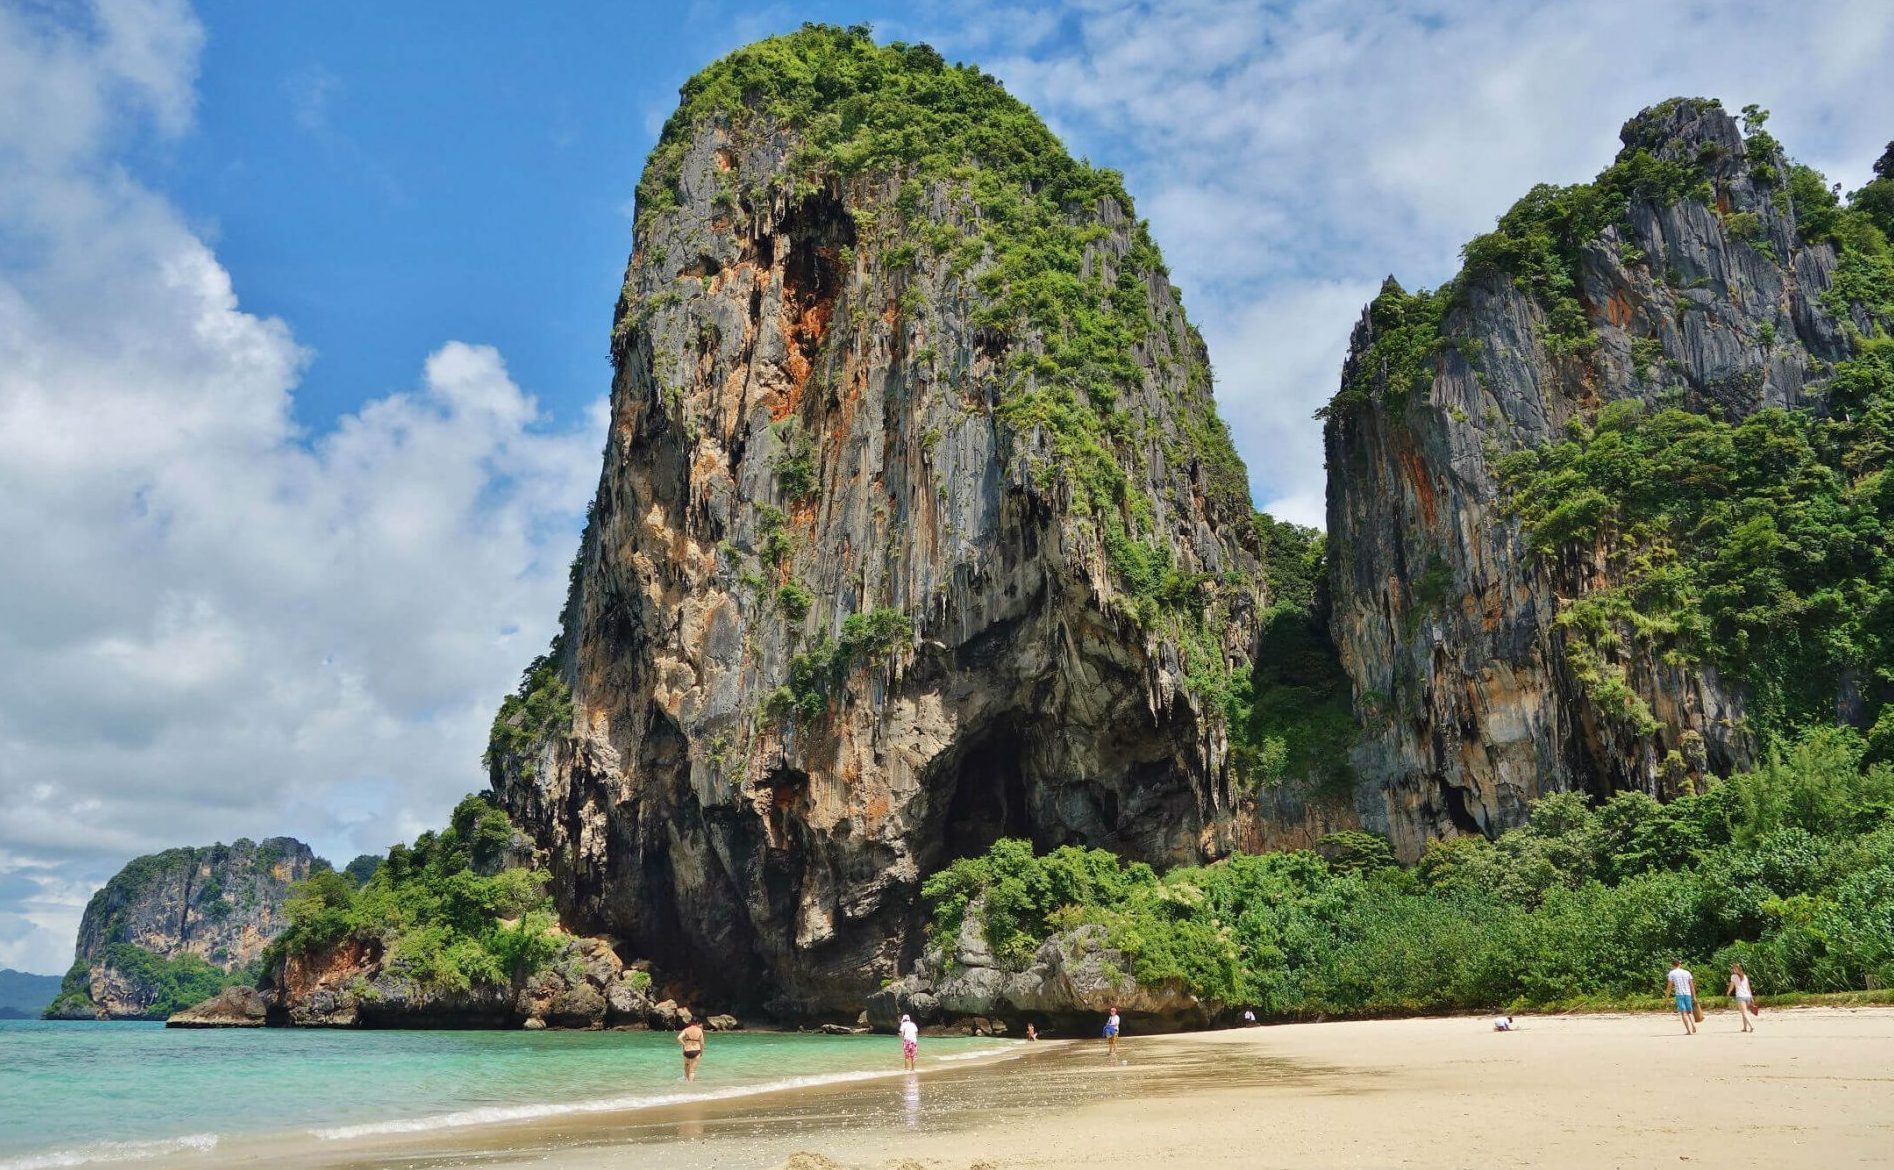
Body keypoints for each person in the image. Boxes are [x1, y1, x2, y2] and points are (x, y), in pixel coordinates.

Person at [1666, 960, 1697, 1035]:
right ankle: (1693, 1025)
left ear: (1672, 965)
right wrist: (1694, 996)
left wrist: (1667, 996)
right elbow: (1691, 986)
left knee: (1683, 1012)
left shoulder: (1672, 973)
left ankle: (1689, 1031)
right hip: (1688, 993)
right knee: (1690, 1012)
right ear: (1679, 964)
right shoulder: (1687, 972)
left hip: (1679, 994)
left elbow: (1669, 986)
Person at [1727, 962, 1757, 1033]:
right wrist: (1751, 997)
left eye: (1734, 968)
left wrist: (1728, 992)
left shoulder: (1733, 976)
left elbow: (1731, 986)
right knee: (1744, 1012)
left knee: (1744, 1012)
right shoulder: (1745, 976)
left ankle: (1751, 1026)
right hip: (1747, 996)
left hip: (1740, 996)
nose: (1733, 970)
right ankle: (1745, 1028)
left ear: (1736, 969)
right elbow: (1748, 988)